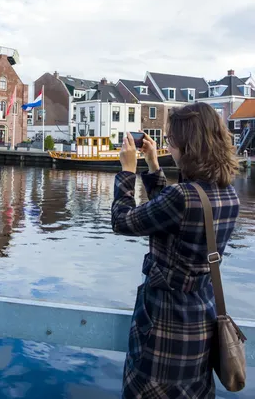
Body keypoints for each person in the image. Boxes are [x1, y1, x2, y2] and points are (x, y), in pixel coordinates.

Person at [112, 102, 239, 399]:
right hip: (200, 319)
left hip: (162, 326)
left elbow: (122, 222)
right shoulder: (228, 195)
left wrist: (128, 172)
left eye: (171, 140)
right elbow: (170, 218)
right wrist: (154, 165)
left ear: (186, 144)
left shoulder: (181, 197)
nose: (170, 145)